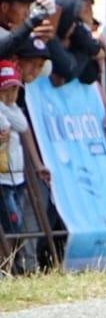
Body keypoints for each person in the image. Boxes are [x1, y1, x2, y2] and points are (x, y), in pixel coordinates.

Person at [0, 60, 39, 275]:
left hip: (17, 175)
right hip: (3, 178)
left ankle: (9, 265)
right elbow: (5, 125)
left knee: (16, 224)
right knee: (11, 224)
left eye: (14, 88)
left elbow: (22, 125)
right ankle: (6, 266)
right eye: (6, 89)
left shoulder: (12, 108)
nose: (11, 94)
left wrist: (7, 110)